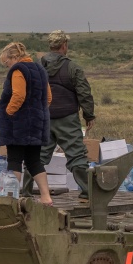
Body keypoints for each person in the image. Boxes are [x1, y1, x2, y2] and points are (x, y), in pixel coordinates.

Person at [32, 30, 96, 197]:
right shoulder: (72, 67)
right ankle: (88, 192)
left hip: (44, 118)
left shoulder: (38, 67)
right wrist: (89, 115)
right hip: (68, 118)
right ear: (64, 46)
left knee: (37, 155)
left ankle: (24, 190)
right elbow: (84, 93)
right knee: (77, 155)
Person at [0, 42, 55, 206]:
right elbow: (48, 97)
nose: (7, 66)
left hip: (18, 125)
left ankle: (12, 198)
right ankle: (46, 197)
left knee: (14, 159)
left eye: (7, 62)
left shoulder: (18, 70)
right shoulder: (40, 70)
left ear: (14, 57)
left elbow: (18, 95)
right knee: (34, 160)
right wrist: (37, 113)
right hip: (37, 124)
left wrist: (8, 113)